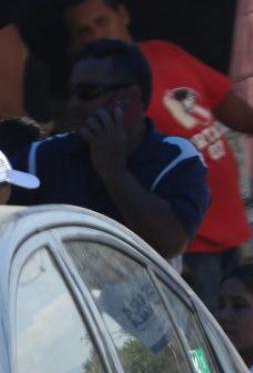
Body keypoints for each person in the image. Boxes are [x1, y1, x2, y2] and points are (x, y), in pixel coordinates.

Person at [64, 0, 253, 307]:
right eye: (84, 31)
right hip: (189, 249)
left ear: (123, 15)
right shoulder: (92, 97)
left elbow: (221, 99)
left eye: (101, 21)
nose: (96, 33)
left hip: (236, 231)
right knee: (208, 348)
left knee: (250, 335)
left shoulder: (163, 53)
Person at [2, 39, 209, 261]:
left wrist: (114, 172)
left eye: (88, 92)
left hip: (137, 295)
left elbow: (168, 244)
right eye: (71, 93)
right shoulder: (43, 156)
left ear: (129, 98)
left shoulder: (174, 158)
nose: (73, 105)